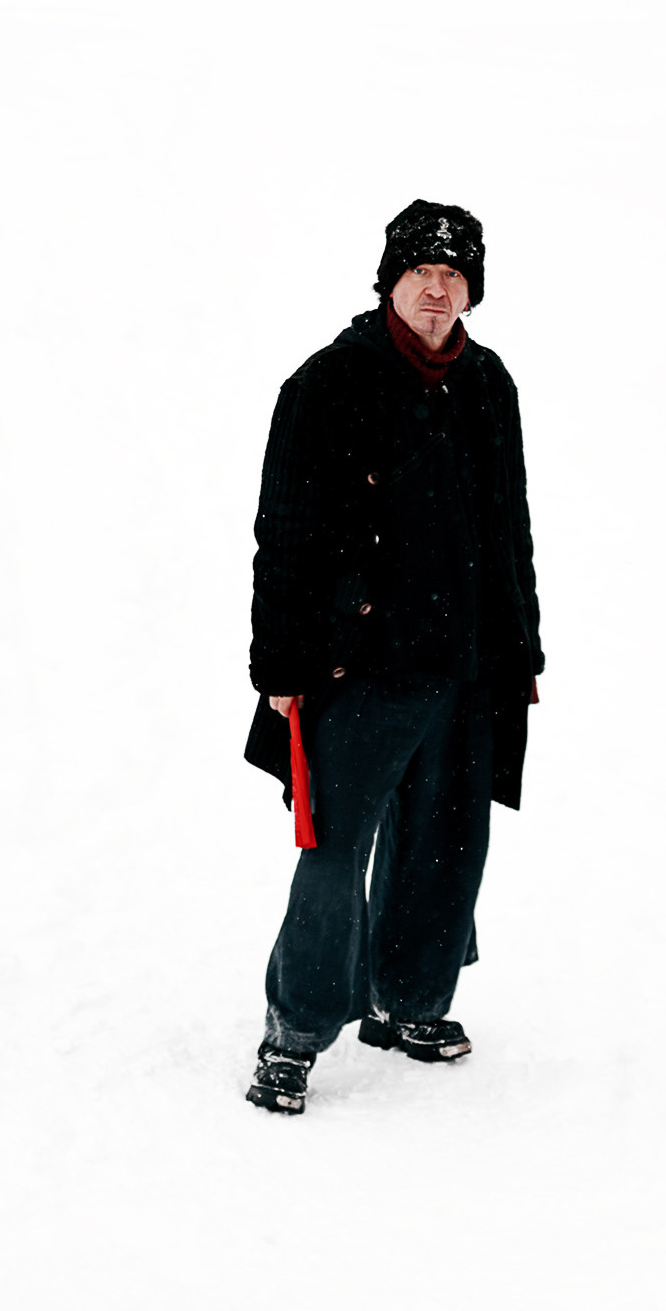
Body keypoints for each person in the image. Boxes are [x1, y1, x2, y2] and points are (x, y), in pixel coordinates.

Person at [242, 199, 544, 1116]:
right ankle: (295, 1033)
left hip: (466, 664)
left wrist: (521, 645)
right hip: (360, 664)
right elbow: (285, 534)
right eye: (423, 272)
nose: (439, 289)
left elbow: (510, 526)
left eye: (455, 275)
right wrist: (281, 669)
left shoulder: (487, 383)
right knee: (333, 851)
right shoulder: (328, 383)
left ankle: (408, 1001)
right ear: (391, 282)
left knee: (446, 843)